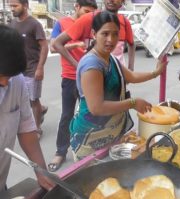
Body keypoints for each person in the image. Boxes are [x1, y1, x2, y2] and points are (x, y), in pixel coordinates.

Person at [70, 11, 167, 160]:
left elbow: (132, 76)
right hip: (90, 139)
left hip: (110, 135)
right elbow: (96, 108)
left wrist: (156, 72)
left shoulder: (111, 59)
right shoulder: (92, 65)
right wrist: (133, 103)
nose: (111, 39)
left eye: (115, 34)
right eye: (105, 34)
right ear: (94, 34)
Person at [0, 25, 54, 192]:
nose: (4, 83)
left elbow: (25, 128)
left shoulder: (16, 81)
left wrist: (41, 171)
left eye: (8, 77)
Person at [48, 0, 97, 172]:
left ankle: (88, 151)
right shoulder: (62, 23)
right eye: (86, 11)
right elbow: (53, 47)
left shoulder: (92, 24)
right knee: (67, 115)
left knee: (91, 115)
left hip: (90, 77)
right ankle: (60, 151)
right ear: (76, 7)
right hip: (70, 77)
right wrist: (75, 46)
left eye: (91, 12)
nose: (88, 15)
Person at [53, 0, 136, 71]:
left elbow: (132, 44)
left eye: (115, 34)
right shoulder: (88, 18)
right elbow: (57, 43)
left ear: (123, 1)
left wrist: (131, 68)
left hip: (116, 78)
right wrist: (77, 66)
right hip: (92, 76)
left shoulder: (125, 22)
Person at [9, 0, 49, 137]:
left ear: (25, 5)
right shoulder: (13, 24)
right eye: (10, 6)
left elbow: (44, 46)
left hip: (32, 69)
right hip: (16, 70)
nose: (12, 8)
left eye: (15, 6)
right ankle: (40, 110)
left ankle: (37, 128)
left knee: (33, 100)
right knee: (20, 99)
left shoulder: (34, 24)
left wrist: (40, 68)